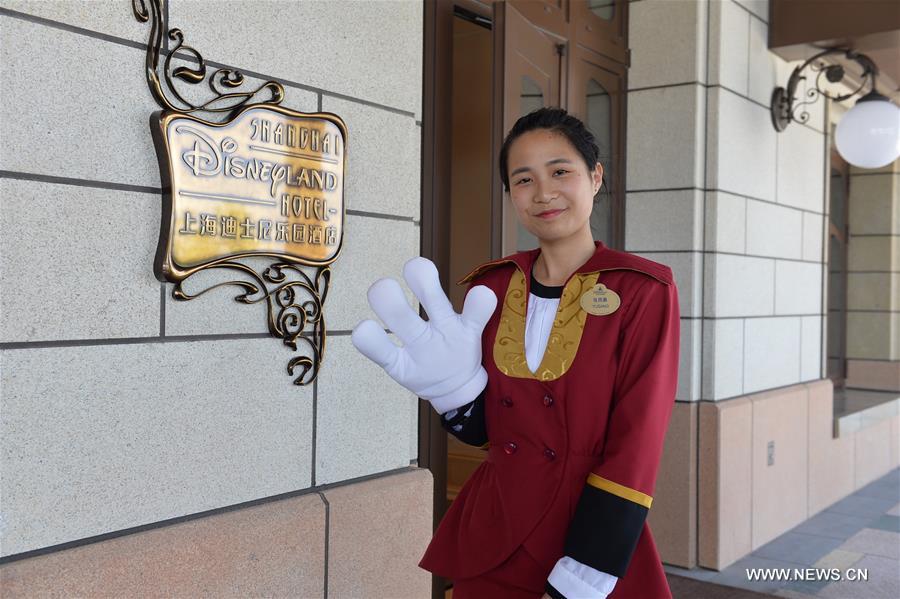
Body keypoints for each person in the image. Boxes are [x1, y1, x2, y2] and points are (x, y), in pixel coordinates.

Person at [351, 107, 680, 598]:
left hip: (586, 538)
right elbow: (489, 431)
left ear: (595, 178)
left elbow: (639, 438)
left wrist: (582, 577)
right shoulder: (492, 287)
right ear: (510, 195)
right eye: (523, 179)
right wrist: (454, 396)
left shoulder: (642, 289)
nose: (543, 192)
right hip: (495, 527)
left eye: (560, 172)